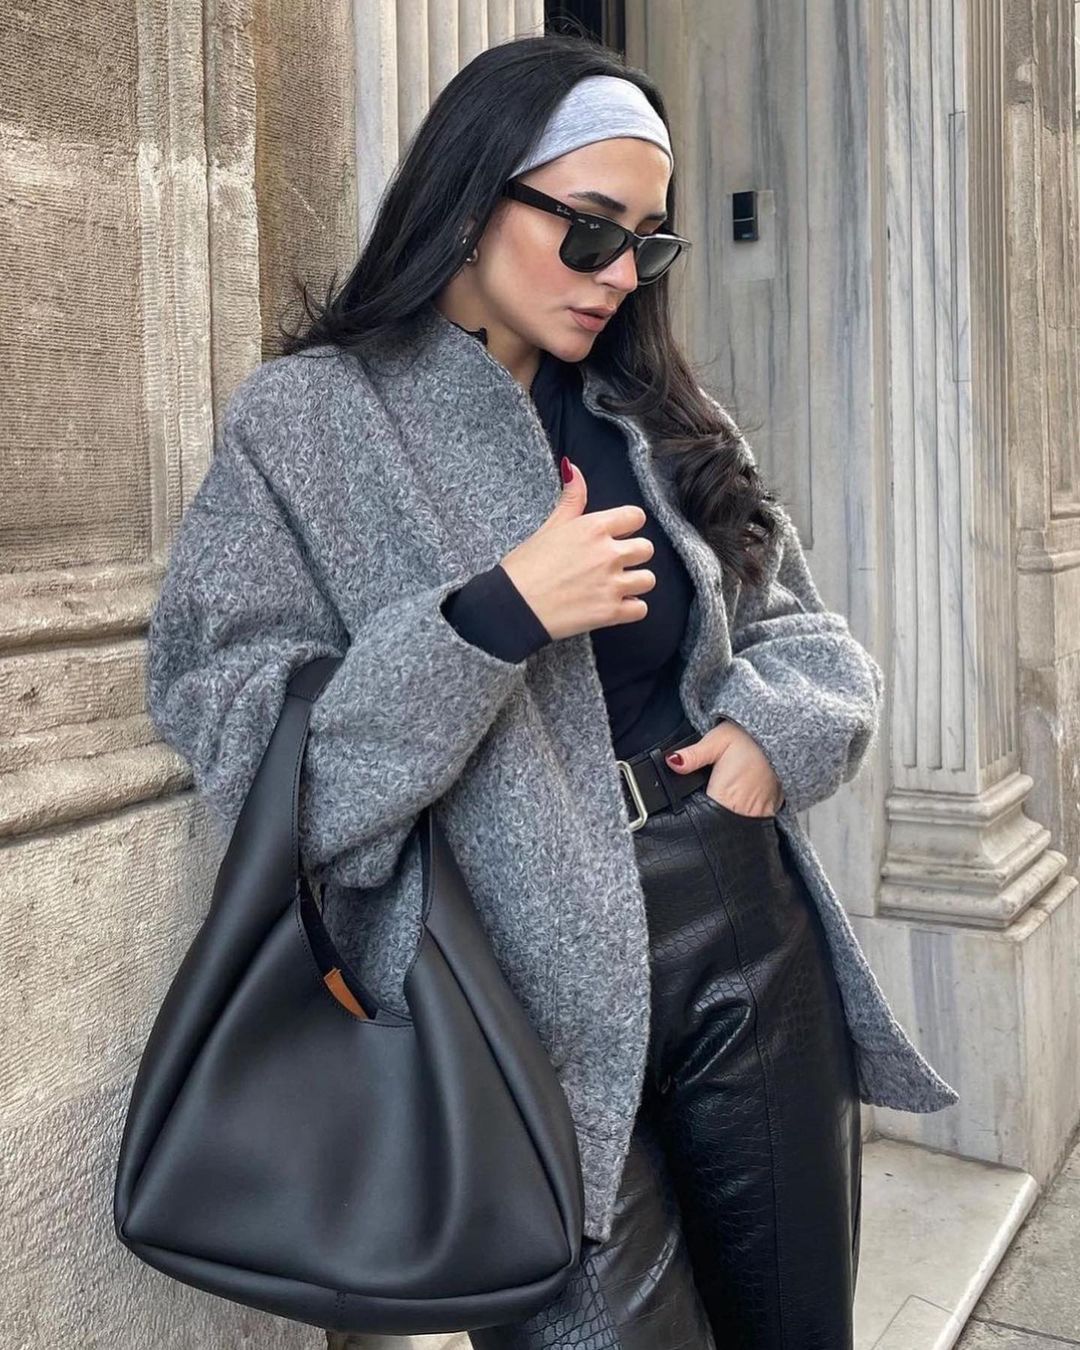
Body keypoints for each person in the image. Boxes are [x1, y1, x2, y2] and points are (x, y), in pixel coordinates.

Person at [146, 32, 959, 1350]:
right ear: (474, 198)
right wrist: (495, 615)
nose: (621, 274)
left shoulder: (657, 409)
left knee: (798, 1323)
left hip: (736, 912)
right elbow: (232, 717)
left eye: (648, 242)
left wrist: (772, 734)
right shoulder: (309, 421)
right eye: (589, 230)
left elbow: (802, 629)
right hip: (506, 979)